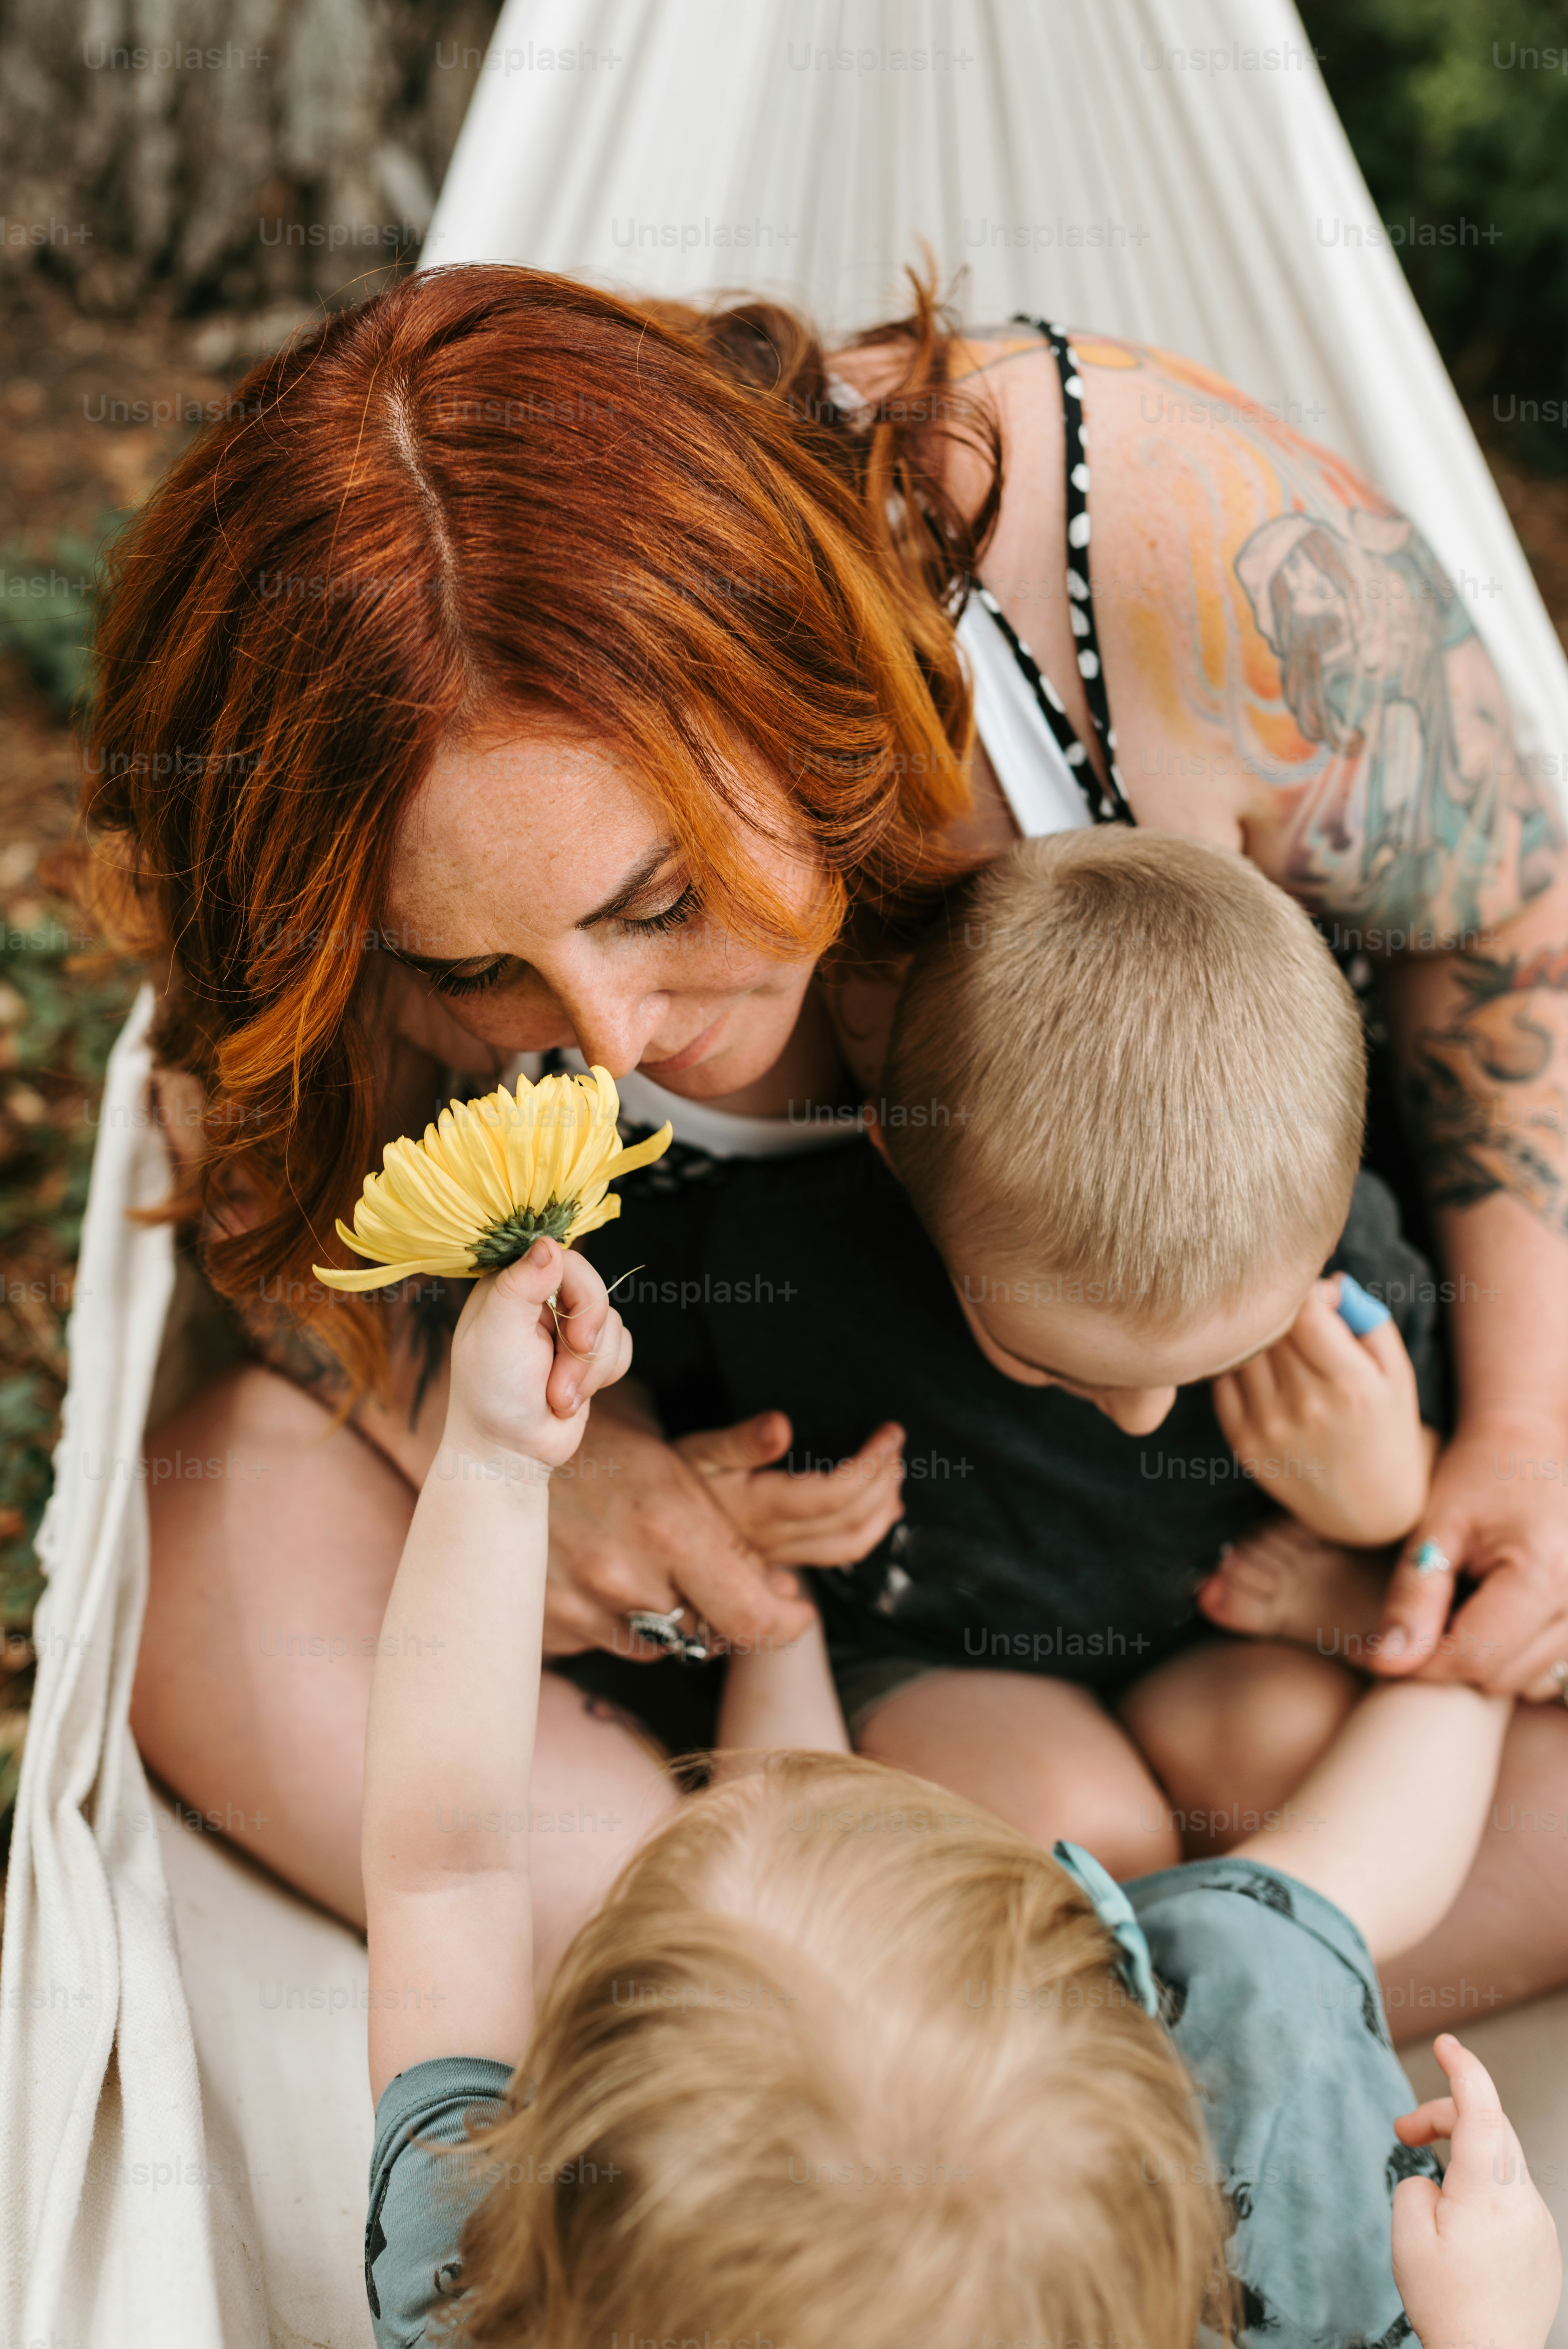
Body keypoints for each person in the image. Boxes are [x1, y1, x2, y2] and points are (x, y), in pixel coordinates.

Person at [92, 265, 1568, 2013]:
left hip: (1279, 1534)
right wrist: (519, 1459)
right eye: (473, 970)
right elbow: (263, 1156)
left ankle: (920, 2031)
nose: (607, 1039)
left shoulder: (1160, 558)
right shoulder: (333, 842)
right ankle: (884, 2019)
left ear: (793, 679)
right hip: (804, 1625)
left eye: (655, 898)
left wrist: (1521, 1439)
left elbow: (1505, 928)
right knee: (208, 1564)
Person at [359, 1229, 1560, 2349]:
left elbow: (446, 1870)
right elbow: (1357, 1858)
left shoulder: (494, 2288)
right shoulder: (1296, 2244)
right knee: (1307, 1911)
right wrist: (1490, 2320)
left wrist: (498, 1463)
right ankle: (1429, 1625)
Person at [582, 826, 1445, 1877]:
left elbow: (1481, 1481)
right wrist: (728, 1504)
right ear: (900, 1163)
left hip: (1215, 1628)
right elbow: (606, 1402)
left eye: (1227, 1354)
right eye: (1067, 1367)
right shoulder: (779, 1259)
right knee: (1079, 1838)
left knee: (1286, 1774)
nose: (1144, 1413)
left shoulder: (1342, 1263)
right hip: (939, 1649)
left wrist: (1383, 1494)